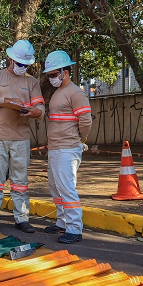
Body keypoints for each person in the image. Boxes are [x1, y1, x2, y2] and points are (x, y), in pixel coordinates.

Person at [0, 39, 45, 233]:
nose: (23, 67)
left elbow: (40, 107)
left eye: (26, 65)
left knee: (20, 182)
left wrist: (35, 112)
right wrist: (4, 101)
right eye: (20, 64)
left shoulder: (31, 82)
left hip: (21, 138)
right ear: (10, 59)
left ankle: (22, 218)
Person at [41, 50, 92, 244]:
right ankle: (62, 222)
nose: (52, 78)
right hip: (55, 148)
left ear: (66, 71)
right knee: (55, 188)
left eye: (54, 74)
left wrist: (81, 139)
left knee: (67, 188)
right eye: (50, 75)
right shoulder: (58, 93)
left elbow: (85, 120)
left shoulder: (75, 93)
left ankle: (74, 228)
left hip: (67, 148)